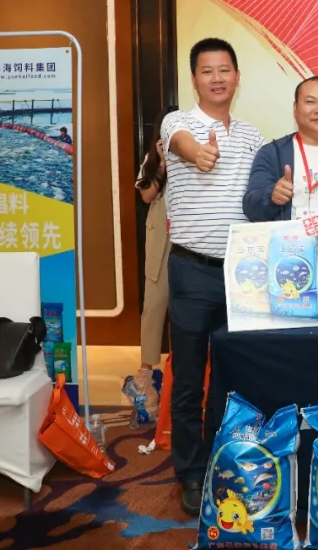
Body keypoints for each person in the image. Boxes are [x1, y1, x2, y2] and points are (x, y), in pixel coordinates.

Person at [161, 37, 264, 515]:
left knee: (236, 375)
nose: (217, 78)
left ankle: (232, 460)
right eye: (207, 70)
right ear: (194, 79)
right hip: (192, 270)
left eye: (225, 69)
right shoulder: (177, 123)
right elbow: (185, 148)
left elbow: (264, 190)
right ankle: (190, 471)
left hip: (243, 274)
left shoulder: (252, 135)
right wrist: (199, 154)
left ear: (237, 77)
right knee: (188, 379)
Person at [243, 77, 318, 243]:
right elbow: (251, 208)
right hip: (290, 256)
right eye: (310, 102)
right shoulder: (272, 153)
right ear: (295, 108)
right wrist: (271, 196)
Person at [131, 105, 178, 415]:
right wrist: (161, 163)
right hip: (161, 239)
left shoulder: (198, 154)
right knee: (154, 304)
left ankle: (183, 371)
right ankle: (146, 373)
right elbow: (146, 196)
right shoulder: (152, 160)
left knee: (188, 308)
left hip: (191, 239)